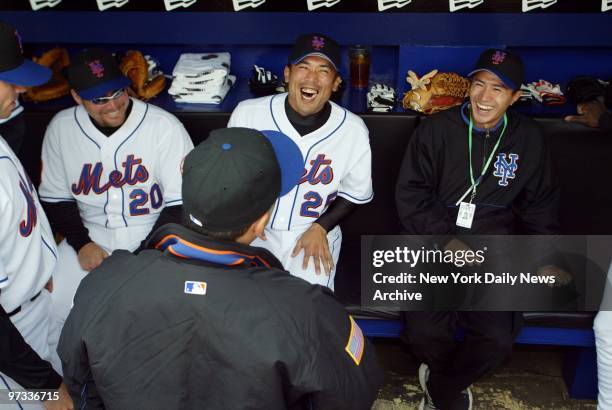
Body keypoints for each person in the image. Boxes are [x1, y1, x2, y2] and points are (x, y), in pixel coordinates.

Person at [57, 127, 384, 409]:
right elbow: (353, 392)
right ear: (261, 222)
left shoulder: (105, 283)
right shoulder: (305, 309)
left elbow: (80, 384)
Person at [395, 49, 560, 410]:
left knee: (498, 339)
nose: (485, 97)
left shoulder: (528, 138)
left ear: (516, 97)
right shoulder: (437, 128)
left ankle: (442, 386)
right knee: (423, 333)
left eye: (498, 89)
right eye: (479, 85)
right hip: (435, 240)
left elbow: (540, 205)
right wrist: (447, 240)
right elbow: (410, 196)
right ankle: (450, 384)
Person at [38, 48, 194, 325]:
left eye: (117, 93)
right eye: (99, 99)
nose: (112, 105)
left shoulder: (163, 126)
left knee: (153, 312)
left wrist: (142, 255)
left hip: (152, 235)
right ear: (77, 97)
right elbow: (55, 199)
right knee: (54, 302)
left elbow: (180, 205)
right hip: (89, 235)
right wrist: (82, 243)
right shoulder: (61, 128)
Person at [228, 33, 373, 289]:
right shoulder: (249, 114)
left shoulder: (352, 129)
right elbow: (227, 173)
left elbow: (356, 193)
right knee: (247, 307)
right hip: (255, 231)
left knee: (309, 312)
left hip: (313, 233)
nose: (311, 78)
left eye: (323, 71)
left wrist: (321, 227)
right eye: (303, 67)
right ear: (287, 74)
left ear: (336, 82)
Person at [0, 21, 73, 409]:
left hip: (30, 311)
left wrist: (36, 269)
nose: (22, 90)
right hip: (12, 342)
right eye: (9, 81)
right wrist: (45, 385)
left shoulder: (4, 128)